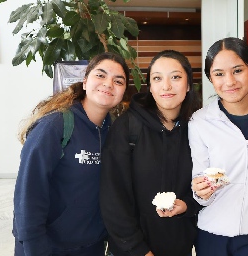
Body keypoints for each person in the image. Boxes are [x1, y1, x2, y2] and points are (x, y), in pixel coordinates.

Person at [13, 52, 129, 256]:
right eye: (100, 75)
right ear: (85, 82)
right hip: (49, 247)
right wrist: (34, 248)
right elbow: (28, 195)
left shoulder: (113, 131)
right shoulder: (54, 126)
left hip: (92, 245)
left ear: (123, 91)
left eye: (118, 80)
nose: (108, 84)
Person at [100, 50, 201, 256]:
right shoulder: (128, 127)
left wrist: (187, 205)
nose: (166, 86)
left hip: (179, 247)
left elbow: (201, 187)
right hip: (132, 250)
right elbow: (113, 198)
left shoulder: (197, 129)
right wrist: (139, 250)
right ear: (150, 87)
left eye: (175, 77)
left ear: (188, 84)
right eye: (157, 78)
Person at [190, 37, 248, 256]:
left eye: (237, 70)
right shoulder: (200, 121)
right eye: (219, 74)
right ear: (210, 78)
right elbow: (199, 180)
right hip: (212, 234)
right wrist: (200, 191)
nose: (229, 81)